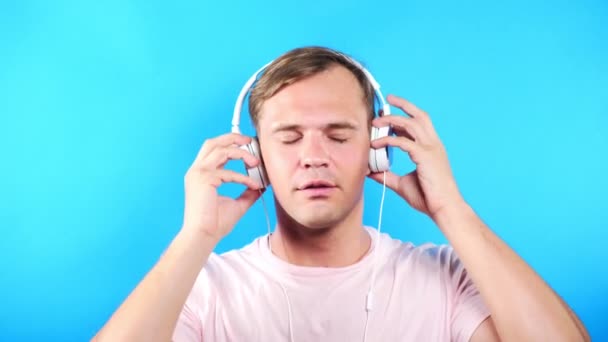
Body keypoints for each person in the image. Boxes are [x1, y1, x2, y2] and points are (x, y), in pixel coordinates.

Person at [92, 46, 590, 342]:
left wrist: (452, 211)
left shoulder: (446, 278)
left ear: (378, 150)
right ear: (255, 156)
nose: (313, 155)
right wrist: (194, 237)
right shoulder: (202, 287)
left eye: (338, 134)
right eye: (288, 138)